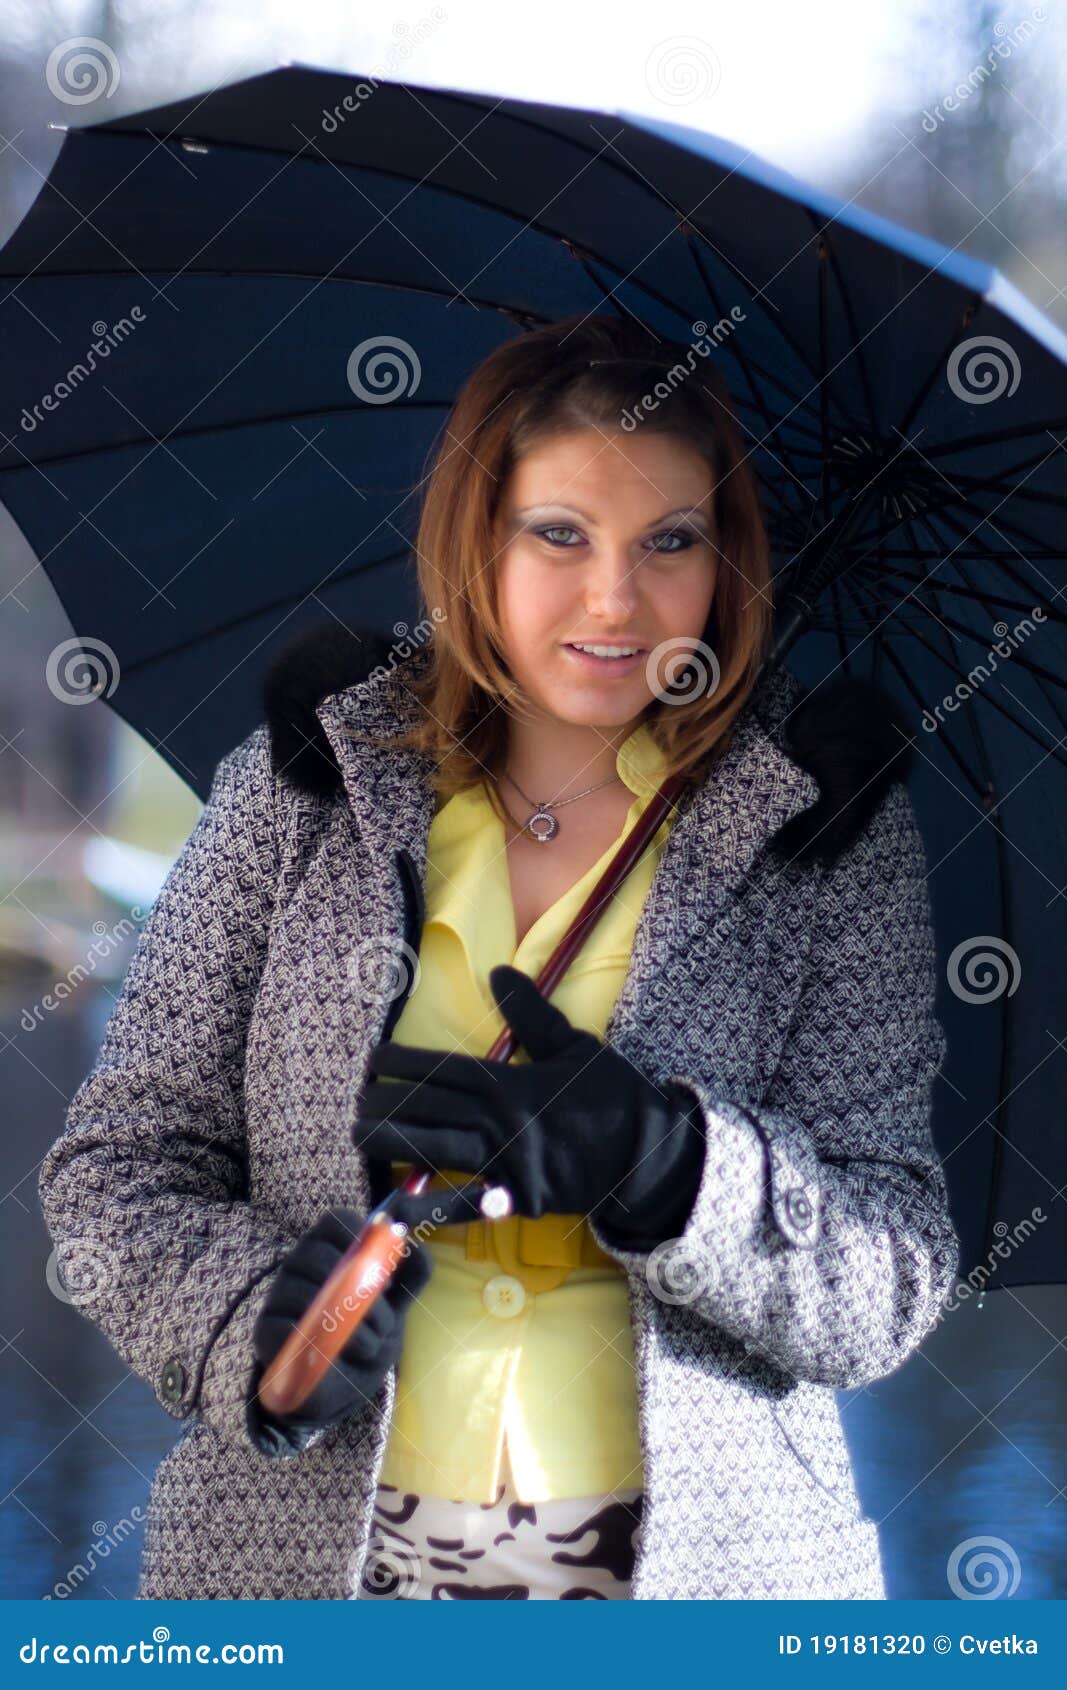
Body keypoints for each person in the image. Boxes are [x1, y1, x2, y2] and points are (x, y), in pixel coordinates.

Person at [38, 313, 959, 1600]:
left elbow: (892, 1273)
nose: (615, 600)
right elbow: (115, 1173)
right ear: (478, 537)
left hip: (702, 1595)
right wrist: (252, 1316)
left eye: (669, 543)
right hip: (311, 1587)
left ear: (724, 560)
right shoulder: (298, 796)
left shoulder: (824, 837)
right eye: (559, 533)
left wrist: (670, 1166)